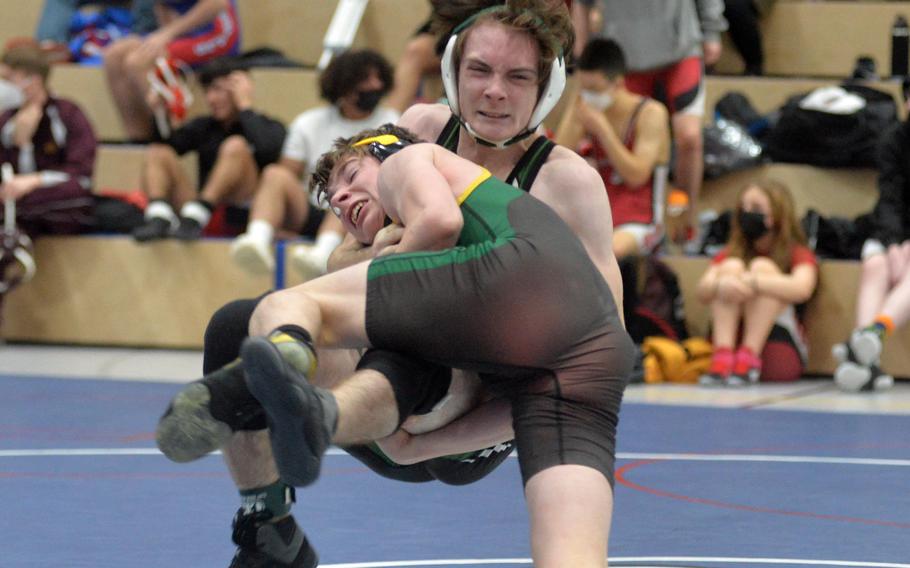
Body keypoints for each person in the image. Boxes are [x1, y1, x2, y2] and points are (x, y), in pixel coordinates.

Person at [157, 2, 631, 565]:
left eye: (517, 77)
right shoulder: (424, 129)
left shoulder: (567, 184)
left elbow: (594, 363)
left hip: (473, 417)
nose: (494, 92)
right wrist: (377, 247)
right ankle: (268, 523)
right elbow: (341, 258)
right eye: (479, 71)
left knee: (435, 333)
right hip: (387, 395)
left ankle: (294, 388)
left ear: (548, 86)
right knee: (236, 325)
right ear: (453, 71)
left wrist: (430, 445)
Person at [229, 48, 399, 276]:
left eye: (379, 78)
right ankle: (256, 240)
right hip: (311, 208)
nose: (376, 85)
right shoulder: (309, 122)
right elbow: (288, 174)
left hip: (366, 213)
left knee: (345, 193)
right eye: (366, 79)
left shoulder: (391, 121)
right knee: (275, 174)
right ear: (345, 85)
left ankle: (323, 254)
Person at [571, 0, 727, 243]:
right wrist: (581, 45)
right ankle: (621, 218)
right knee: (612, 138)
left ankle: (683, 214)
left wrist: (712, 31)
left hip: (679, 48)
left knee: (689, 137)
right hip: (624, 54)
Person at [131, 58, 285, 242]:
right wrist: (160, 114)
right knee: (158, 151)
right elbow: (167, 146)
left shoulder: (268, 126)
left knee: (235, 145)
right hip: (194, 220)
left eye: (219, 89)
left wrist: (245, 106)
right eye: (208, 91)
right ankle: (159, 215)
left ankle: (199, 211)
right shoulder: (204, 126)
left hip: (243, 214)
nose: (211, 98)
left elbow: (269, 151)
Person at [556, 37, 670, 259]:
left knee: (605, 254)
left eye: (594, 89)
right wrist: (574, 109)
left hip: (640, 220)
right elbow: (555, 158)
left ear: (618, 83)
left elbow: (637, 176)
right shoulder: (586, 108)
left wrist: (603, 130)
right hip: (597, 216)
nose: (588, 95)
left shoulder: (651, 114)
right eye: (583, 87)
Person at [695, 180, 818, 386]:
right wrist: (721, 285)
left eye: (756, 208)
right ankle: (723, 356)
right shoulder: (731, 253)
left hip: (777, 345)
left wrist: (754, 283)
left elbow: (803, 288)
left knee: (763, 268)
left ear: (777, 214)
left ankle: (749, 358)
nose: (747, 213)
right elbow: (702, 290)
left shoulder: (796, 252)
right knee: (730, 268)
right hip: (733, 336)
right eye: (743, 208)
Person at [832, 93, 910, 392]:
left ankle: (868, 341)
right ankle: (867, 358)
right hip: (892, 230)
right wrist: (893, 244)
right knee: (874, 266)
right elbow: (889, 196)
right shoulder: (894, 140)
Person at [102, 0, 240, 141]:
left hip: (219, 33)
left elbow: (218, 4)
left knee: (138, 61)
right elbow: (163, 6)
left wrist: (168, 34)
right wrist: (166, 37)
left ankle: (174, 136)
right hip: (188, 33)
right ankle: (138, 140)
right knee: (114, 55)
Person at [0, 44, 97, 237]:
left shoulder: (68, 113)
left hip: (51, 197)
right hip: (10, 197)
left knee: (74, 195)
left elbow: (81, 171)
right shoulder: (5, 119)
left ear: (33, 80)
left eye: (7, 79)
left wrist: (34, 180)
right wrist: (22, 145)